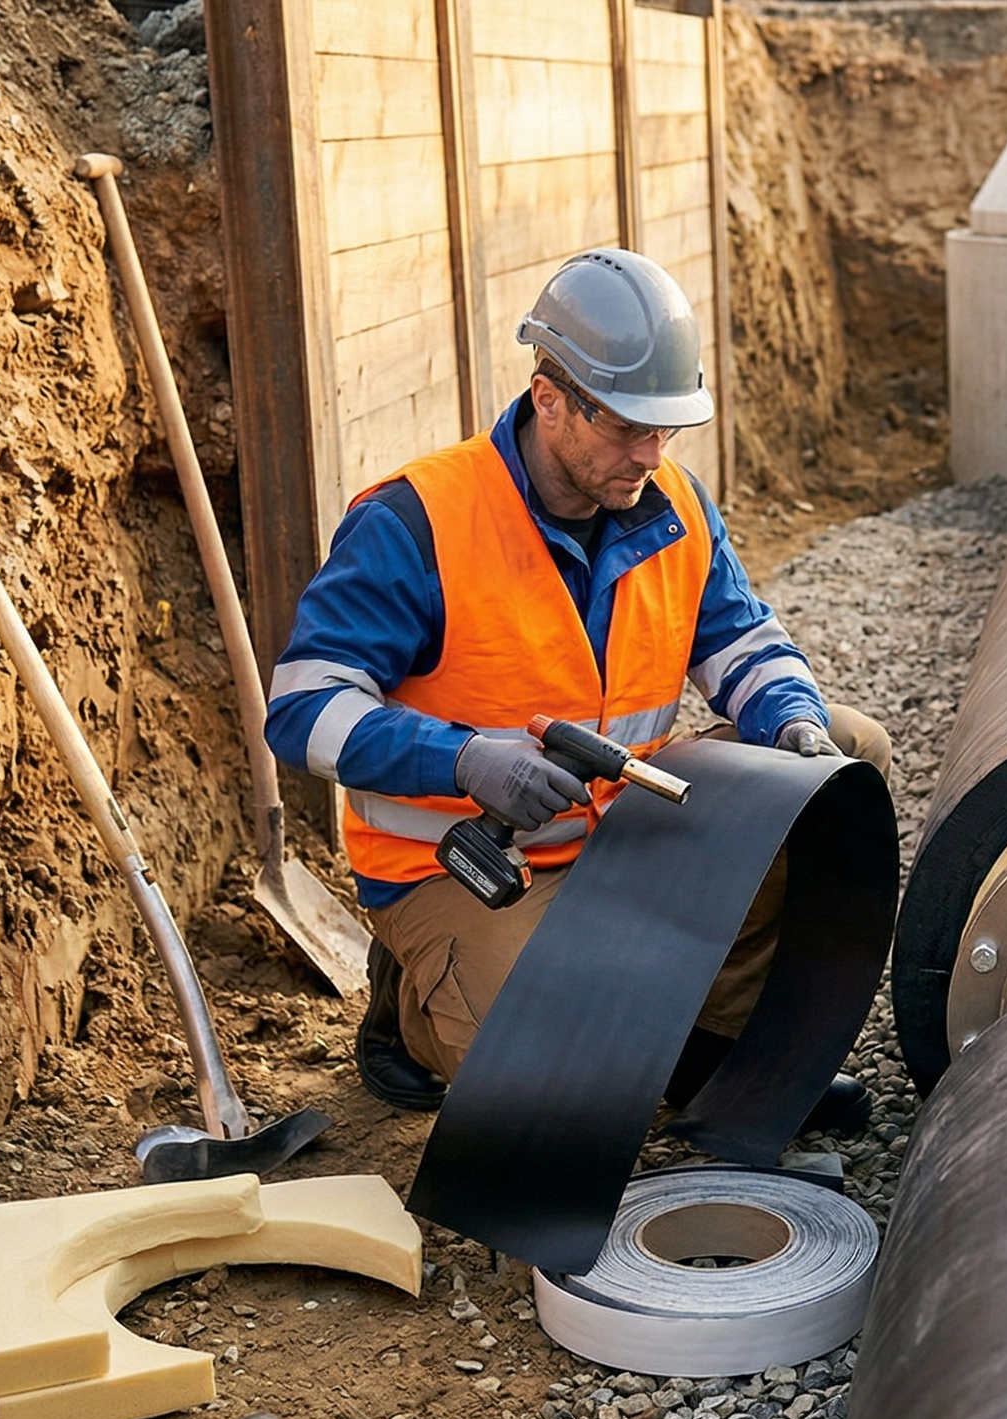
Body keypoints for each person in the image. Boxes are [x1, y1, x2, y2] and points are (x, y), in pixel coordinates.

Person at [265, 247, 885, 1133]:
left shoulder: (668, 498)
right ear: (549, 398)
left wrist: (789, 719)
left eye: (667, 429)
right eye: (629, 427)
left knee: (842, 754)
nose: (651, 452)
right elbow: (301, 708)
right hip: (469, 866)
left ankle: (710, 1046)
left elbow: (744, 640)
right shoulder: (417, 522)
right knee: (553, 1101)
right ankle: (410, 999)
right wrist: (466, 760)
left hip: (619, 834)